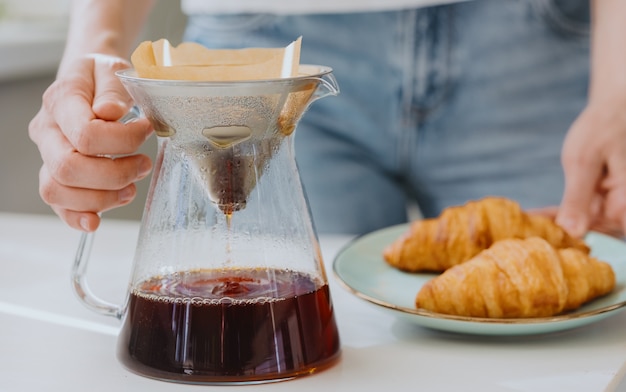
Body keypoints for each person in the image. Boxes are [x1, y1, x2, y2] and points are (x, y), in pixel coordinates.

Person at [29, 0, 626, 238]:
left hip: (535, 46)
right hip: (255, 67)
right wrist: (95, 48)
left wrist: (619, 87)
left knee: (568, 353)